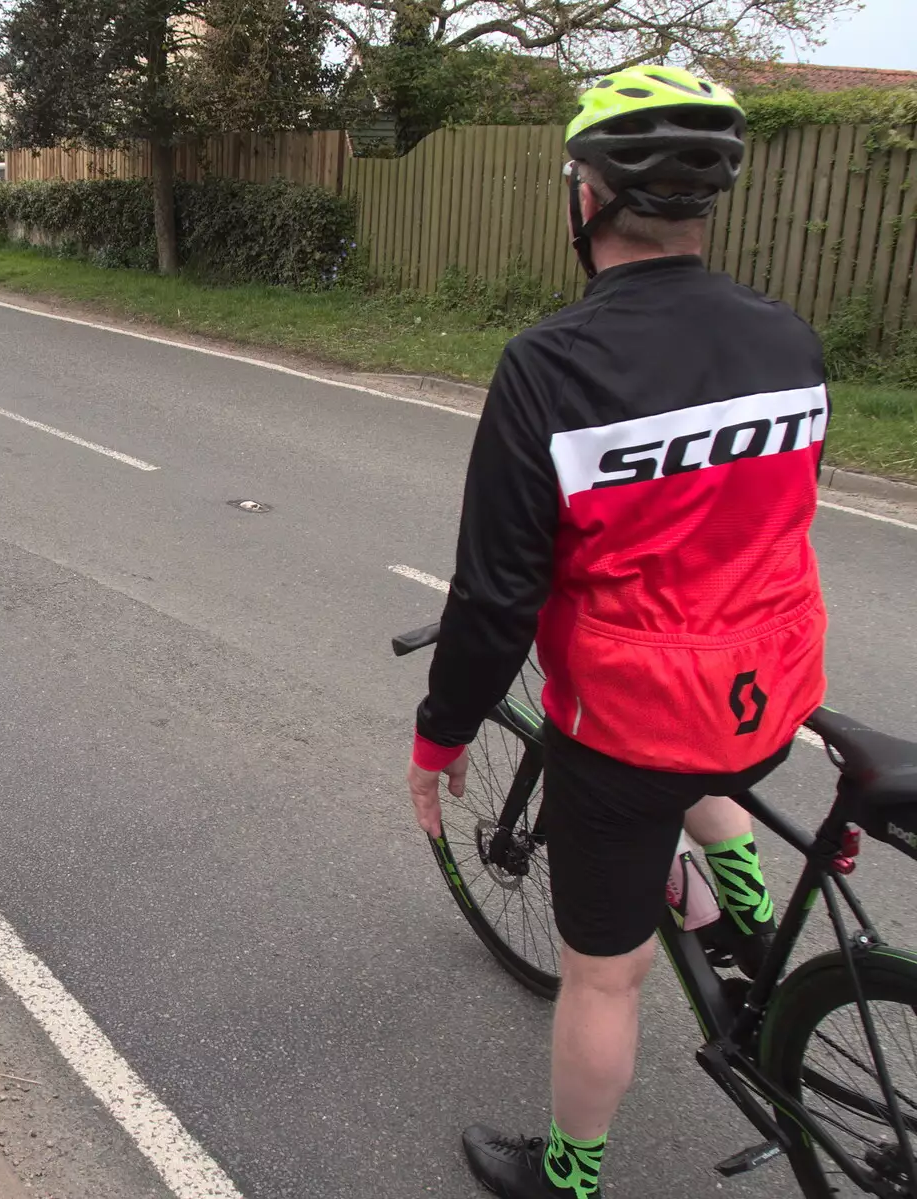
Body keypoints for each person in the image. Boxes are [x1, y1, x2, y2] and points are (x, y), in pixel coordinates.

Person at [405, 66, 828, 1199]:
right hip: (766, 693)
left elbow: (497, 594)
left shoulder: (551, 363)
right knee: (703, 769)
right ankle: (745, 914)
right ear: (703, 202)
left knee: (604, 976)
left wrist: (438, 740)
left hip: (627, 719)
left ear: (585, 198)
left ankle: (569, 1175)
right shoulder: (788, 337)